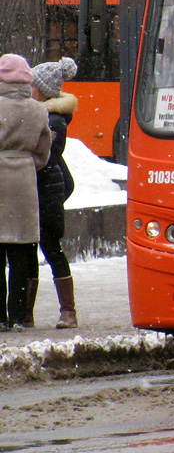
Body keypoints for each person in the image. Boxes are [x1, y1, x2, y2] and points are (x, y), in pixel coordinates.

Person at [0, 53, 52, 331]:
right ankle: (20, 315)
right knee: (21, 252)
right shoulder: (38, 110)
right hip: (23, 182)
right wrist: (26, 163)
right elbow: (43, 151)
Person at [27, 56, 79, 328]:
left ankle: (67, 311)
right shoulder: (39, 114)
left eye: (33, 86)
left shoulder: (54, 120)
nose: (28, 89)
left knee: (51, 249)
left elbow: (47, 156)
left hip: (47, 194)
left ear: (44, 90)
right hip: (39, 193)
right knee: (30, 252)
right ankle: (26, 313)